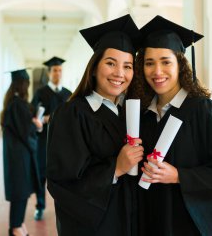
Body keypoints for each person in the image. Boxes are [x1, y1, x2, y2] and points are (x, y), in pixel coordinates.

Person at [128, 15, 212, 236]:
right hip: (152, 223)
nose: (157, 72)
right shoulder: (143, 116)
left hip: (190, 226)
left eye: (166, 62)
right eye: (149, 63)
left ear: (180, 64)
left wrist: (179, 176)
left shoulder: (204, 111)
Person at [46, 14, 143, 236]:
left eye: (128, 66)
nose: (120, 73)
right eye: (111, 63)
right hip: (95, 228)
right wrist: (116, 168)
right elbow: (61, 182)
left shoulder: (130, 112)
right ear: (94, 67)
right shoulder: (71, 114)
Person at [0, 69, 43, 236]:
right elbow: (25, 131)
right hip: (19, 158)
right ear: (23, 84)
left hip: (17, 156)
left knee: (22, 192)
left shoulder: (13, 103)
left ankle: (18, 225)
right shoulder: (17, 104)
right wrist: (36, 125)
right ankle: (16, 227)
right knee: (20, 191)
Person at [31, 56, 72, 220]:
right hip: (43, 141)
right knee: (41, 173)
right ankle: (40, 206)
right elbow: (34, 117)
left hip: (63, 142)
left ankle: (64, 206)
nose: (58, 73)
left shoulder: (68, 93)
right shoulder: (40, 93)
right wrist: (47, 119)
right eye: (55, 70)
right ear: (49, 73)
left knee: (64, 174)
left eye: (60, 70)